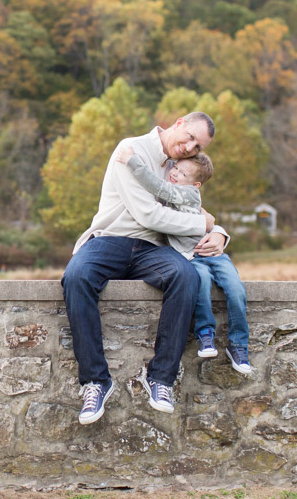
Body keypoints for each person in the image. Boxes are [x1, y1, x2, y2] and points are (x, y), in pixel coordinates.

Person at [63, 111, 227, 423]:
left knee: (186, 276)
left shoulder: (181, 168)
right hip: (111, 239)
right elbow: (148, 215)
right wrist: (201, 223)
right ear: (179, 123)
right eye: (190, 136)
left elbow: (194, 204)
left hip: (153, 249)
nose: (190, 147)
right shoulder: (132, 150)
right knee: (76, 275)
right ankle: (96, 382)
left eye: (197, 146)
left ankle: (161, 379)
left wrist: (218, 233)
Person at [115, 146, 252, 376]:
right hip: (191, 259)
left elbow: (157, 185)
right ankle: (206, 335)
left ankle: (238, 345)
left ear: (195, 185)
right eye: (175, 168)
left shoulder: (187, 194)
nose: (175, 173)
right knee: (203, 282)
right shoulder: (167, 199)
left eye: (183, 174)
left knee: (235, 289)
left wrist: (131, 161)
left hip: (213, 255)